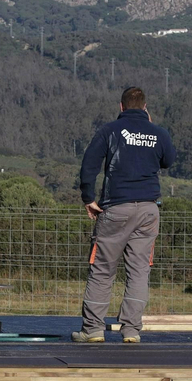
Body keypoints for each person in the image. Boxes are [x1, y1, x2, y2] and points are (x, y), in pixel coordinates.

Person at [72, 86, 177, 343]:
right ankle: (131, 330)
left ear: (121, 107)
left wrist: (88, 198)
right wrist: (150, 131)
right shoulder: (158, 133)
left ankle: (93, 329)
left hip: (116, 207)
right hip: (149, 210)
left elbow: (89, 165)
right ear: (145, 107)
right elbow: (169, 160)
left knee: (103, 269)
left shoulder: (109, 131)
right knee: (139, 270)